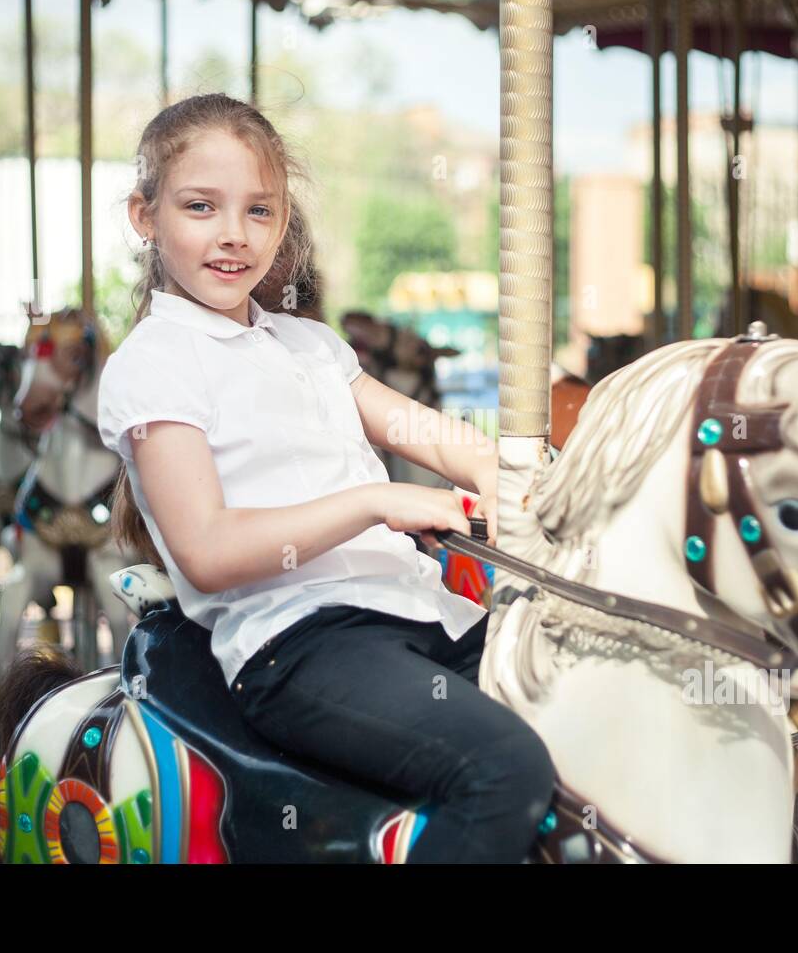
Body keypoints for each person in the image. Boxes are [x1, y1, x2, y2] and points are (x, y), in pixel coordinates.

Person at [95, 93, 556, 863]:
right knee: (504, 769)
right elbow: (207, 549)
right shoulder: (154, 362)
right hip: (301, 640)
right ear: (146, 217)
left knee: (593, 711)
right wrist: (378, 501)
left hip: (422, 611)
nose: (234, 236)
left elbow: (414, 427)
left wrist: (502, 468)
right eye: (201, 207)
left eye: (260, 212)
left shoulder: (309, 344)